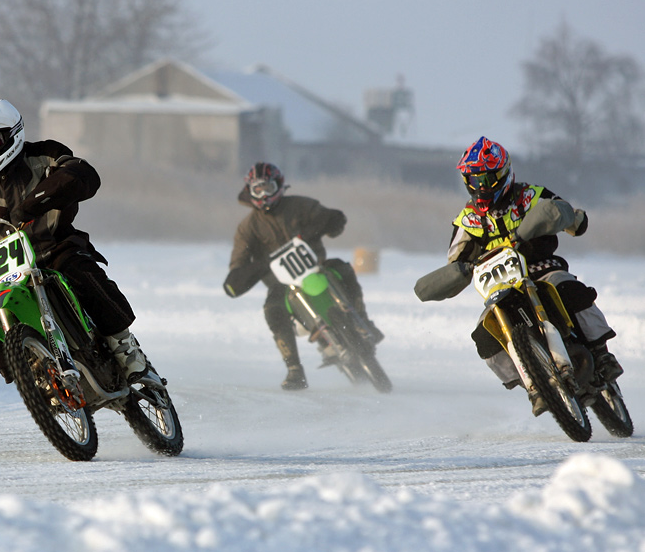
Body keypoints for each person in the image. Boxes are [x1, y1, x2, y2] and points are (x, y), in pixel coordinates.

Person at [0, 99, 148, 385]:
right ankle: (35, 380)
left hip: (56, 249)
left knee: (80, 271)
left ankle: (123, 344)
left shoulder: (46, 155)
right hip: (8, 276)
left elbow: (81, 174)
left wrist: (38, 201)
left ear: (15, 134)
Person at [417, 136, 623, 416]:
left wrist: (571, 219)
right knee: (483, 335)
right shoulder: (468, 220)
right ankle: (531, 384)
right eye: (474, 180)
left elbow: (569, 217)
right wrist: (462, 269)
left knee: (571, 290)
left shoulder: (529, 196)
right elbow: (456, 259)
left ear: (502, 174)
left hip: (542, 271)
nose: (480, 186)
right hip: (501, 289)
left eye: (485, 179)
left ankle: (601, 353)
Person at [222, 162, 382, 390]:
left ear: (279, 186)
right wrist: (261, 266)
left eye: (268, 188)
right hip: (283, 285)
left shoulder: (299, 205)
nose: (264, 195)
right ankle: (294, 369)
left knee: (344, 269)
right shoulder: (247, 228)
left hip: (317, 268)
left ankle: (363, 322)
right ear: (250, 192)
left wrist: (313, 231)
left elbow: (335, 219)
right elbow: (235, 276)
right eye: (258, 189)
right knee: (272, 309)